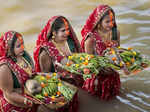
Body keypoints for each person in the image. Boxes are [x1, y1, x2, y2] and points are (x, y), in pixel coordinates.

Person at [80, 5, 121, 100]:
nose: (111, 24)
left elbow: (117, 52)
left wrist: (123, 65)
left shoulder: (115, 33)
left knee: (114, 98)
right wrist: (102, 69)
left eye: (113, 20)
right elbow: (88, 63)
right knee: (96, 100)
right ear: (99, 22)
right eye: (107, 21)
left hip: (112, 73)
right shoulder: (91, 39)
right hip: (97, 78)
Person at [34, 16, 83, 87]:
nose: (67, 33)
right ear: (54, 33)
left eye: (68, 30)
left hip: (79, 79)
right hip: (61, 87)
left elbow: (80, 59)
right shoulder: (46, 52)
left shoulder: (70, 42)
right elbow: (45, 78)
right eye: (63, 30)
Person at [0, 31, 38, 112]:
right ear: (9, 48)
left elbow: (33, 74)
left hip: (32, 93)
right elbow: (8, 94)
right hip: (15, 104)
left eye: (22, 44)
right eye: (18, 46)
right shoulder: (4, 67)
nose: (23, 48)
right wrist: (26, 101)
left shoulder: (24, 55)